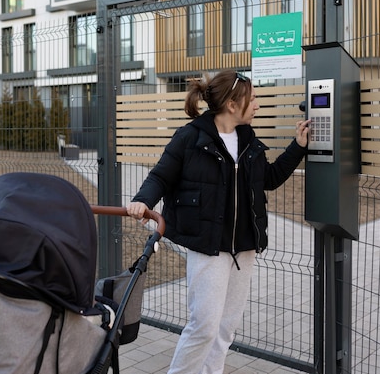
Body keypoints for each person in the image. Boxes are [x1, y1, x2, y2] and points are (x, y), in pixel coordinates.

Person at [126, 69, 310, 374]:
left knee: (225, 330)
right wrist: (143, 201)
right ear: (232, 105)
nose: (258, 106)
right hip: (208, 246)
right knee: (204, 328)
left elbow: (272, 178)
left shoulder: (248, 140)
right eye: (253, 99)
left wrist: (298, 146)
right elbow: (161, 175)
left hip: (244, 248)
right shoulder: (190, 137)